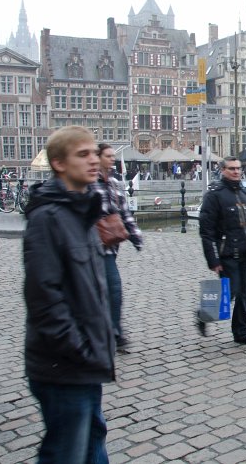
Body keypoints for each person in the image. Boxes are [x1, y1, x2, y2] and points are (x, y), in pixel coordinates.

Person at [23, 126, 115, 463]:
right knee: (65, 453)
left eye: (94, 153)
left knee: (93, 448)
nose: (94, 161)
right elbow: (43, 298)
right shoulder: (48, 218)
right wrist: (79, 348)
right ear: (59, 164)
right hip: (64, 365)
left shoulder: (82, 211)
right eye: (83, 154)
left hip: (85, 363)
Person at [198, 156, 246, 345]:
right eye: (231, 168)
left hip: (245, 253)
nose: (236, 171)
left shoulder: (243, 192)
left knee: (245, 295)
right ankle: (203, 314)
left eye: (238, 168)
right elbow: (206, 231)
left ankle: (241, 333)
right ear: (223, 170)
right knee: (230, 293)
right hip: (227, 254)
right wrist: (213, 260)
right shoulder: (214, 195)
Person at [92, 143, 143, 350]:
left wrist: (135, 236)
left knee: (109, 291)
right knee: (112, 288)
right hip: (94, 247)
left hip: (110, 246)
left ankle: (111, 331)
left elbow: (124, 213)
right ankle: (113, 333)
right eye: (108, 155)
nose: (112, 159)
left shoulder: (114, 183)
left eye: (113, 155)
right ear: (98, 157)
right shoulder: (89, 184)